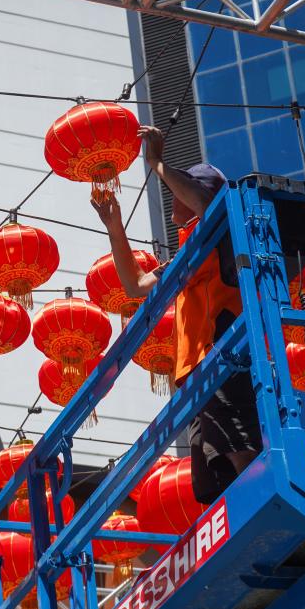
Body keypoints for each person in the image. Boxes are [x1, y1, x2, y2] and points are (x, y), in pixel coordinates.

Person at [92, 124, 261, 504]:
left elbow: (207, 203)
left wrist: (156, 162)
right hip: (196, 370)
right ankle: (238, 514)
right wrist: (115, 227)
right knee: (209, 477)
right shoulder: (189, 249)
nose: (172, 194)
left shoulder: (222, 226)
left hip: (224, 353)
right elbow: (135, 285)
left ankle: (260, 505)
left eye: (182, 186)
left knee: (239, 446)